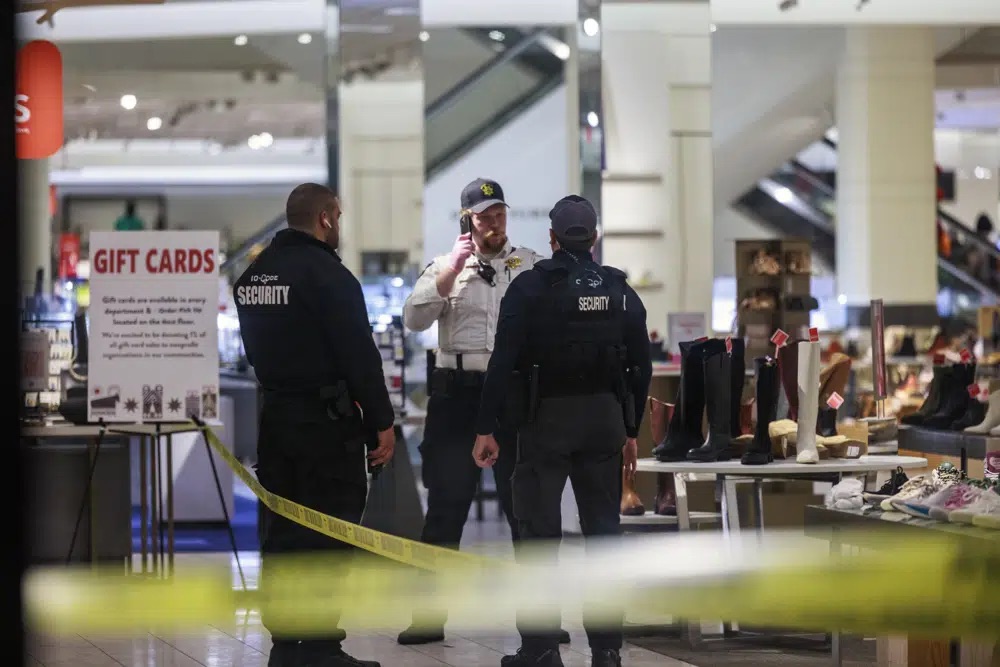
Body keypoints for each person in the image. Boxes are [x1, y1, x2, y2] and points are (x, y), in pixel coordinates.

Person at [472, 195, 652, 667]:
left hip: (545, 422)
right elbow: (641, 363)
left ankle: (541, 649)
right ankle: (608, 652)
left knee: (537, 536)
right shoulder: (619, 289)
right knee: (604, 537)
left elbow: (503, 360)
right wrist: (630, 427)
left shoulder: (531, 287)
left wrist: (486, 427)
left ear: (552, 238)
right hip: (604, 423)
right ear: (594, 236)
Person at [234, 182, 395, 667]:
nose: (339, 226)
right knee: (332, 529)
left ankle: (285, 645)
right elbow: (359, 356)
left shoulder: (254, 276)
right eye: (339, 217)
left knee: (282, 535)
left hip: (277, 421)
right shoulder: (329, 276)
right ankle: (322, 646)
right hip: (327, 426)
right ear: (325, 218)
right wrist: (381, 421)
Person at [397, 177, 552, 645]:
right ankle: (428, 617)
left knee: (524, 507)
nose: (495, 222)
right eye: (485, 215)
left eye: (500, 212)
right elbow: (414, 318)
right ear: (468, 219)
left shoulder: (529, 266)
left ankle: (541, 623)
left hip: (512, 398)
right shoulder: (445, 267)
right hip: (456, 397)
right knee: (446, 506)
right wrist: (453, 270)